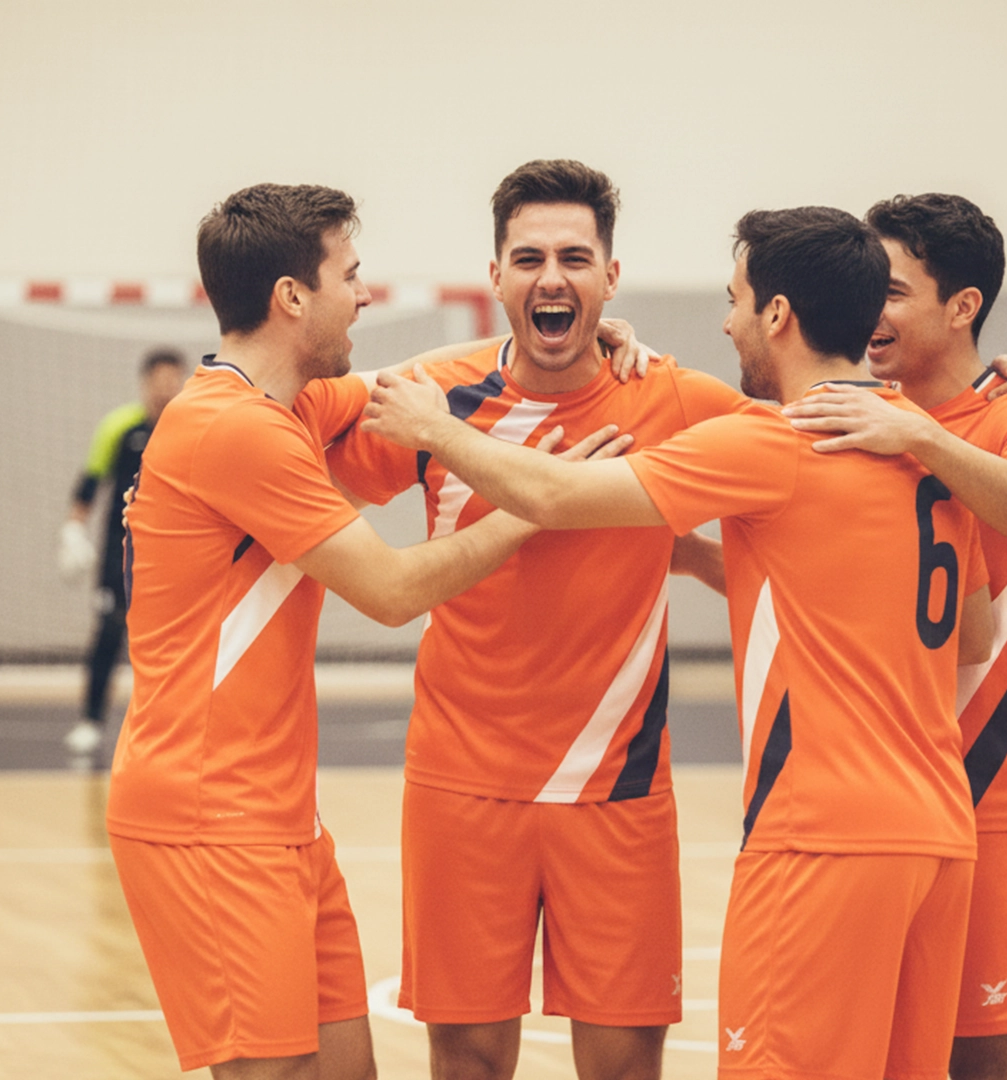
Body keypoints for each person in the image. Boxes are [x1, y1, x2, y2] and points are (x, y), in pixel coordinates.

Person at [361, 204, 995, 1080]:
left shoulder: (760, 435)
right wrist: (698, 553)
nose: (725, 321)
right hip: (939, 826)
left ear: (776, 314)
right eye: (531, 258)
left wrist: (436, 430)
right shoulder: (932, 444)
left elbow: (554, 497)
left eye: (735, 300)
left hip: (814, 831)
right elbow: (975, 630)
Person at [107, 183, 622, 1080]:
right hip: (207, 818)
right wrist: (542, 500)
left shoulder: (286, 408)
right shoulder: (234, 432)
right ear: (292, 297)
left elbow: (416, 385)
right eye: (350, 274)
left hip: (280, 819)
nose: (366, 294)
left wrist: (571, 344)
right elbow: (389, 589)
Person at [311, 159, 751, 1080]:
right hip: (462, 781)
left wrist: (996, 394)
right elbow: (288, 434)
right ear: (498, 277)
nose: (552, 276)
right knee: (468, 1059)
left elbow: (818, 420)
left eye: (576, 259)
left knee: (626, 1062)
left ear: (610, 280)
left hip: (619, 785)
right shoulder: (434, 394)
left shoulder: (673, 398)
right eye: (530, 258)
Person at [779, 194, 1007, 1080]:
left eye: (896, 291)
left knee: (982, 1055)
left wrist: (918, 433)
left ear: (963, 307)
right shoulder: (850, 414)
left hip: (987, 776)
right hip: (869, 792)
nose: (872, 310)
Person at [58, 348, 191, 756]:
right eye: (159, 380)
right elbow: (90, 482)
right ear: (145, 383)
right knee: (109, 634)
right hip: (121, 556)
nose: (166, 388)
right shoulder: (118, 428)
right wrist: (73, 530)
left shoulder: (192, 426)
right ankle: (91, 720)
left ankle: (176, 730)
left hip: (176, 557)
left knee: (178, 645)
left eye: (174, 380)